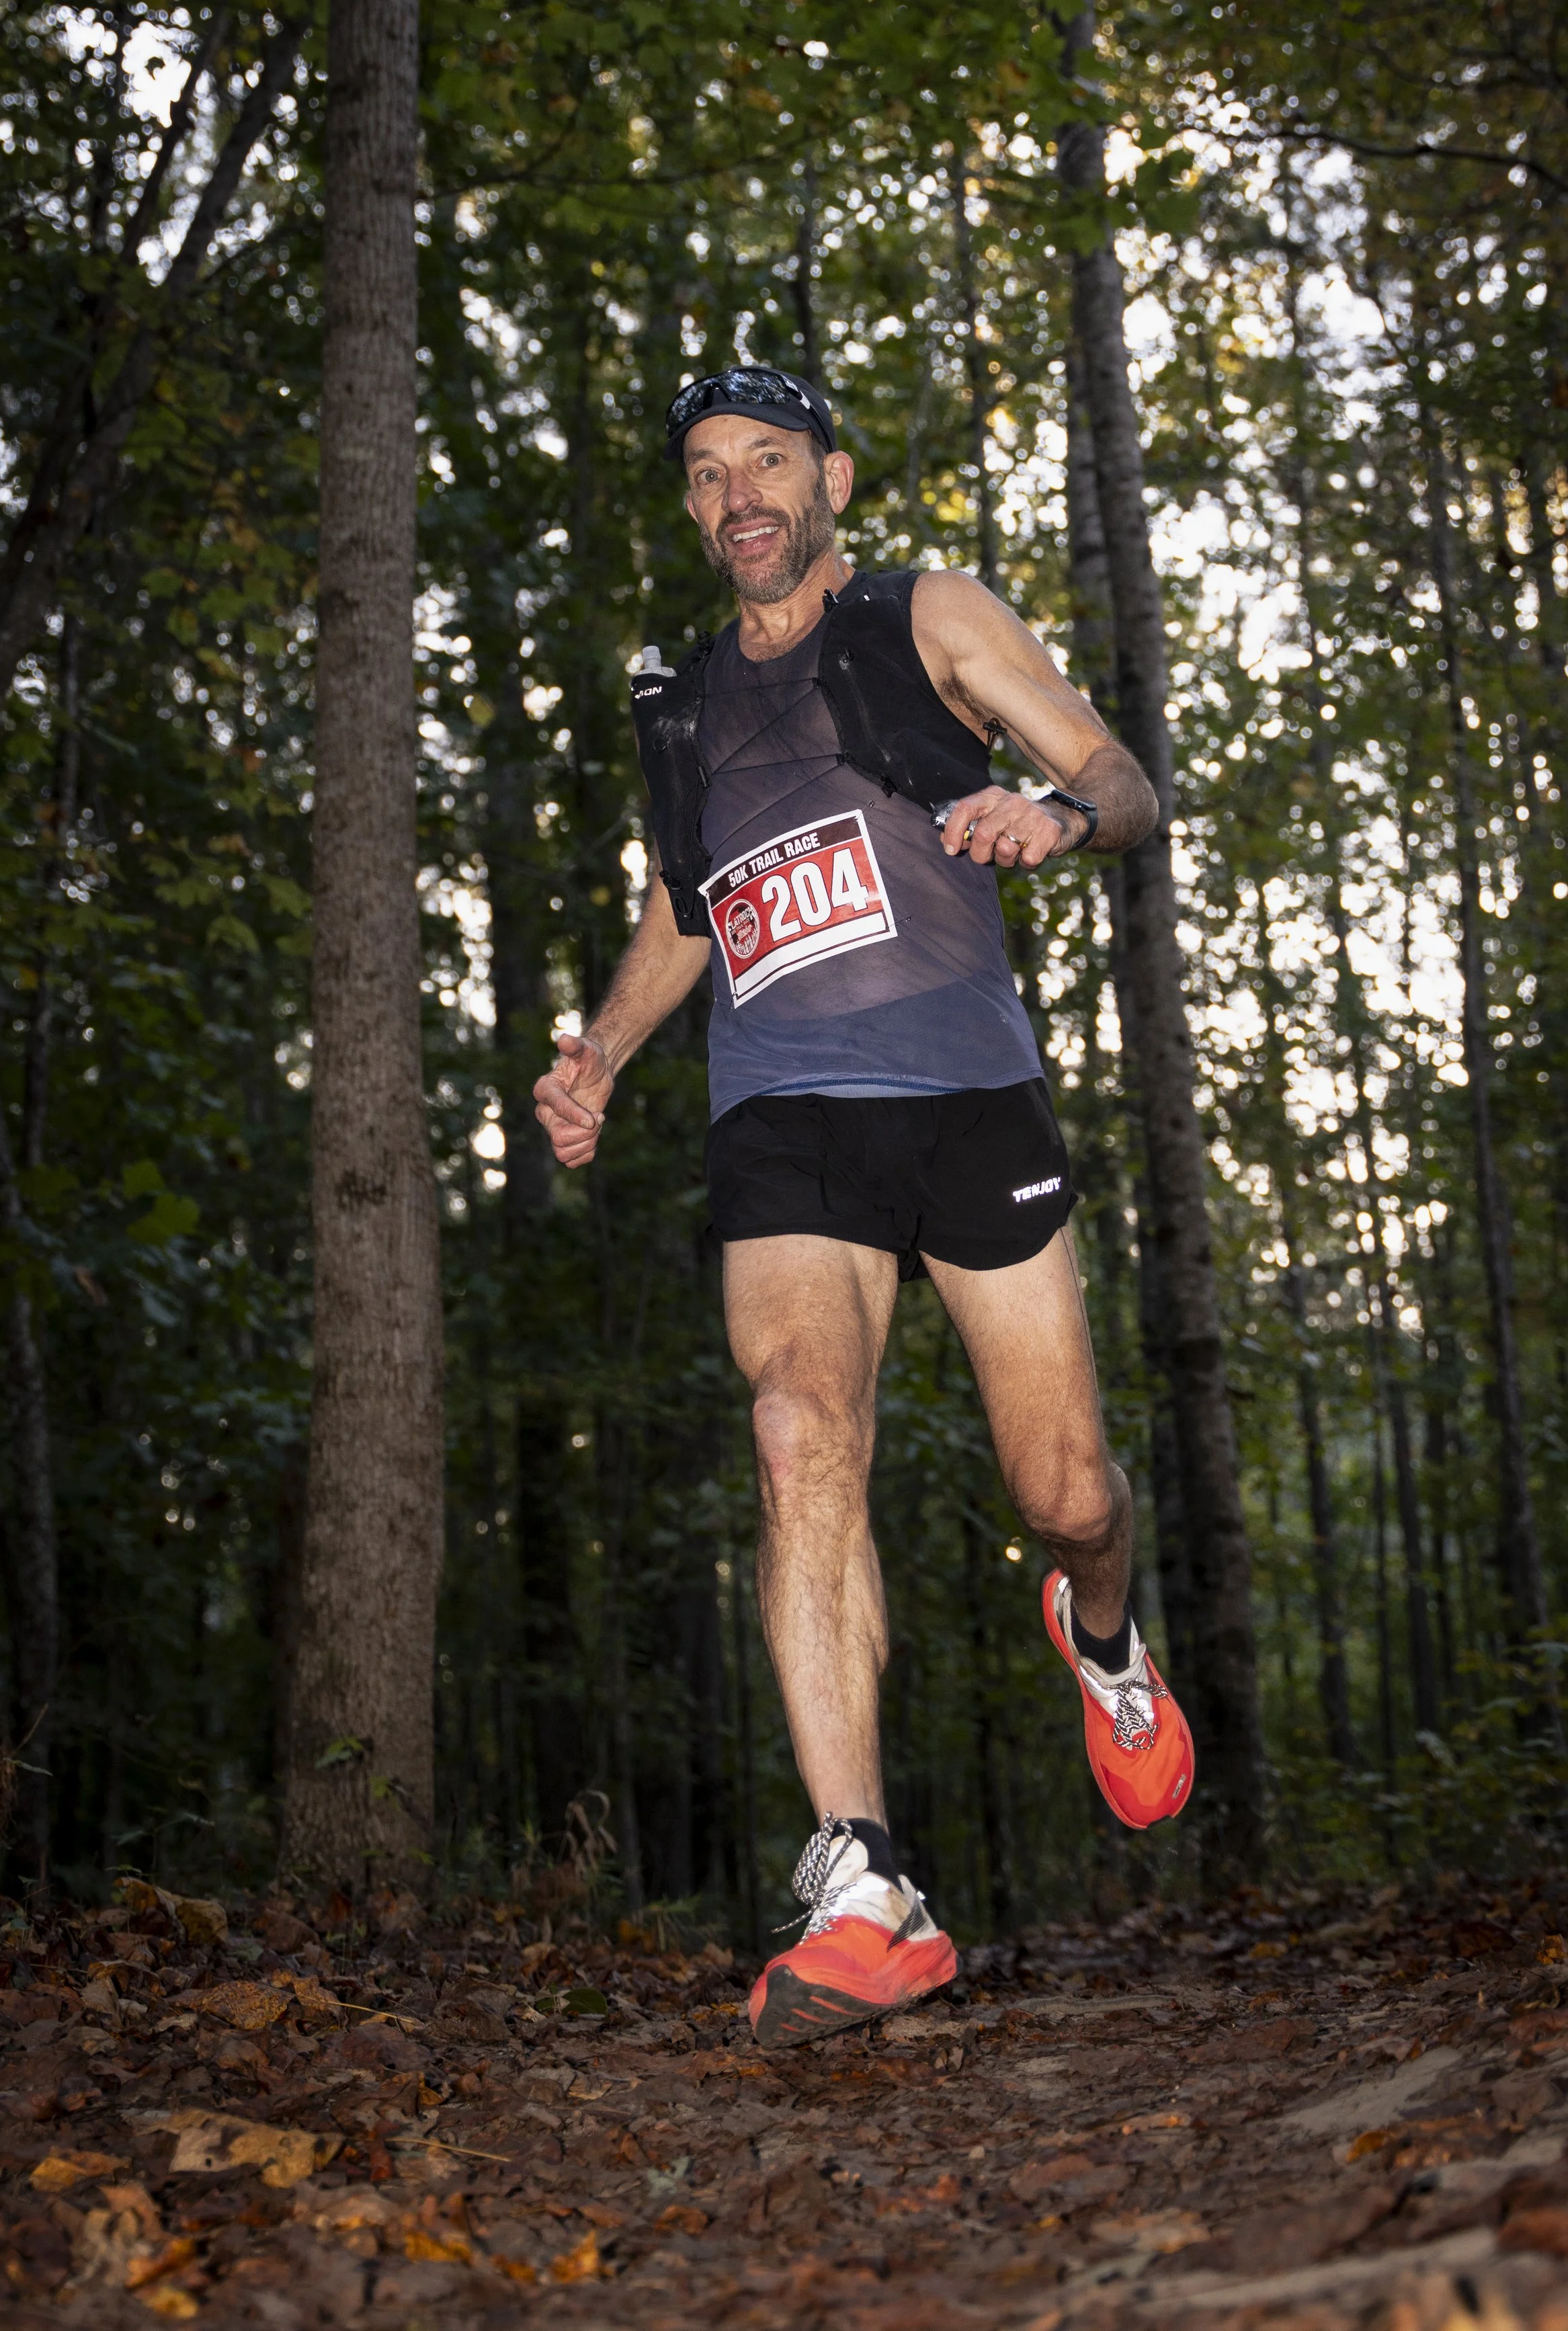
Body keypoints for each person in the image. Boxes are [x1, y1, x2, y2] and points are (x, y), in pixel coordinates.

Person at [534, 365, 1193, 2049]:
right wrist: (602, 1051)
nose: (736, 491)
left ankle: (1103, 1632)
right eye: (703, 471)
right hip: (783, 1114)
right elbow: (692, 910)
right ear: (690, 507)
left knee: (1062, 1492)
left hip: (964, 1093)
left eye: (765, 458)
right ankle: (863, 1882)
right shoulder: (677, 701)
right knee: (795, 1419)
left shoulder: (931, 611)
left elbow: (1123, 780)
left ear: (830, 472)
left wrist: (1051, 810)